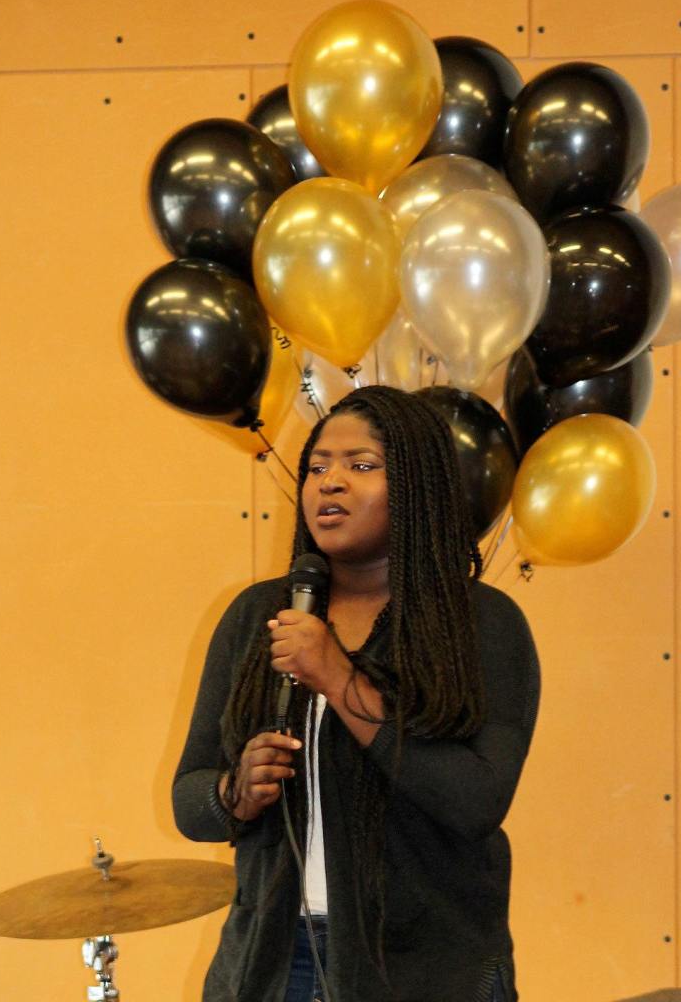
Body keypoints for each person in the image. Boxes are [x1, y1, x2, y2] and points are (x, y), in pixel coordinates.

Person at [172, 385, 540, 1002]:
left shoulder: (480, 624)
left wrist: (339, 681)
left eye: (361, 466)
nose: (330, 482)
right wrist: (236, 791)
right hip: (270, 960)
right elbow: (189, 799)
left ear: (418, 490)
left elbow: (477, 799)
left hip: (424, 970)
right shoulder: (259, 615)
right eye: (317, 466)